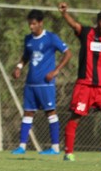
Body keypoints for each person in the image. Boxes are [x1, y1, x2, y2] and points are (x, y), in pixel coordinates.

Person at [58, 2, 101, 162]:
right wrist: (64, 14)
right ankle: (68, 153)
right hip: (85, 86)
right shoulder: (87, 33)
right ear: (98, 21)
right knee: (76, 117)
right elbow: (75, 25)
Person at [10, 9, 72, 156]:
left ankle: (55, 148)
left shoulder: (51, 38)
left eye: (33, 24)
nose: (31, 27)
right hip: (30, 83)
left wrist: (56, 71)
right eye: (29, 24)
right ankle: (22, 147)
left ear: (40, 23)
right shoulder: (28, 39)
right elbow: (26, 56)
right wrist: (19, 67)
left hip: (46, 83)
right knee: (28, 112)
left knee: (50, 112)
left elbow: (68, 53)